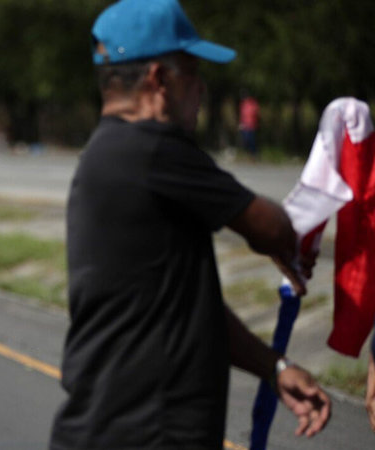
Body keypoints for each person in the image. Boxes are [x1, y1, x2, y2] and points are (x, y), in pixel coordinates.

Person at [49, 1, 330, 448]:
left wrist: (273, 366)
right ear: (160, 79)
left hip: (116, 429)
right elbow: (274, 230)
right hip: (149, 432)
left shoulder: (108, 155)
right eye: (192, 73)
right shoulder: (154, 149)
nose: (200, 89)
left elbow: (185, 306)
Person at [239, 92, 261, 157]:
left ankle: (254, 154)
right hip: (245, 126)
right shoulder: (243, 105)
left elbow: (257, 113)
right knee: (245, 140)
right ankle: (248, 154)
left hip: (252, 125)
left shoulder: (253, 104)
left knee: (252, 141)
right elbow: (242, 115)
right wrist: (241, 123)